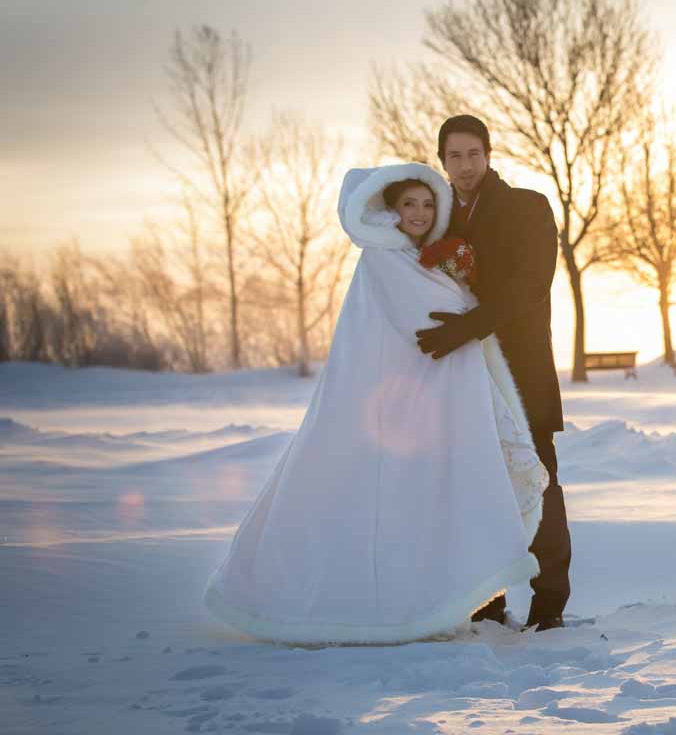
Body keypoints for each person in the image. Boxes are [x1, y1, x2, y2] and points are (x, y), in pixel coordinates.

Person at [203, 162, 548, 645]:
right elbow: (427, 320)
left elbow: (448, 314)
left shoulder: (414, 255)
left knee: (417, 506)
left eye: (429, 205)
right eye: (410, 204)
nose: (421, 213)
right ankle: (360, 607)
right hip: (390, 408)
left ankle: (424, 601)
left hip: (414, 405)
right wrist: (469, 308)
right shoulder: (385, 257)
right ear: (391, 209)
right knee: (374, 506)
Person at [416, 115, 570, 632]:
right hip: (464, 379)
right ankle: (487, 603)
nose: (464, 166)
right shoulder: (437, 221)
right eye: (453, 156)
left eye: (473, 154)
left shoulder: (528, 207)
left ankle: (549, 606)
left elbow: (531, 285)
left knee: (538, 480)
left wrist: (470, 327)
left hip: (521, 370)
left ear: (489, 154)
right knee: (477, 488)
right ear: (442, 162)